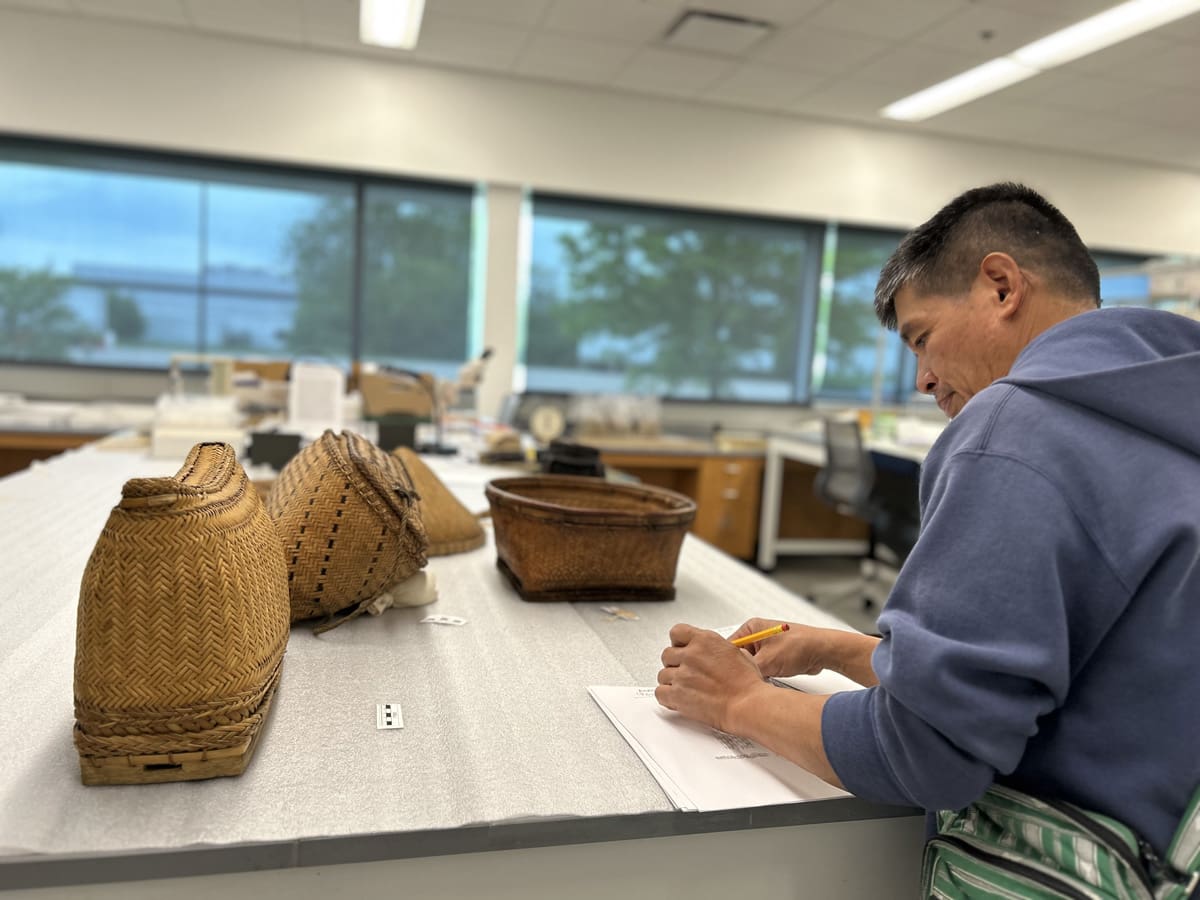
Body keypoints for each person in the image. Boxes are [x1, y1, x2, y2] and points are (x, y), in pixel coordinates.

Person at [655, 182, 1200, 892]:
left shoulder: (1017, 426)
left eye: (922, 337)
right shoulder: (1167, 420)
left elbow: (928, 754)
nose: (923, 380)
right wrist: (838, 647)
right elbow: (1084, 680)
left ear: (1001, 286)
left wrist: (738, 702)